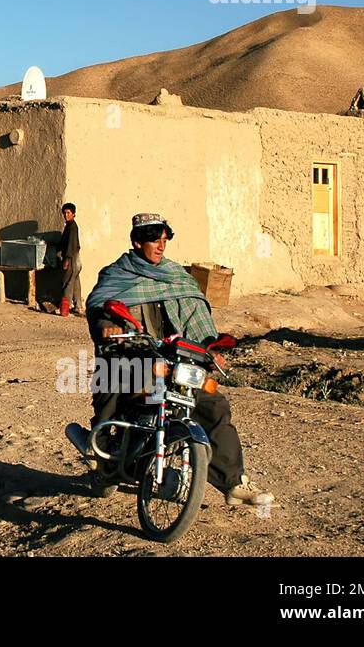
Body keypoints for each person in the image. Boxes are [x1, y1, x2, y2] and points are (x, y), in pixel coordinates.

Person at [84, 213, 273, 508]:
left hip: (178, 360)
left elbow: (197, 316)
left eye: (164, 240)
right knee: (114, 381)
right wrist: (108, 327)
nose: (161, 246)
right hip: (136, 354)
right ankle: (101, 446)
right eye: (154, 240)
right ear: (137, 241)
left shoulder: (177, 277)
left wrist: (209, 347)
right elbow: (100, 307)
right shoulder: (116, 274)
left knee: (213, 405)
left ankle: (234, 482)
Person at [59, 203, 82, 317]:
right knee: (75, 282)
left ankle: (65, 308)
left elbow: (71, 245)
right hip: (76, 258)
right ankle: (78, 306)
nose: (66, 215)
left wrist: (67, 259)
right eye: (64, 213)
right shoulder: (69, 226)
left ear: (73, 214)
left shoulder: (72, 227)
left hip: (72, 258)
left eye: (68, 213)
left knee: (68, 282)